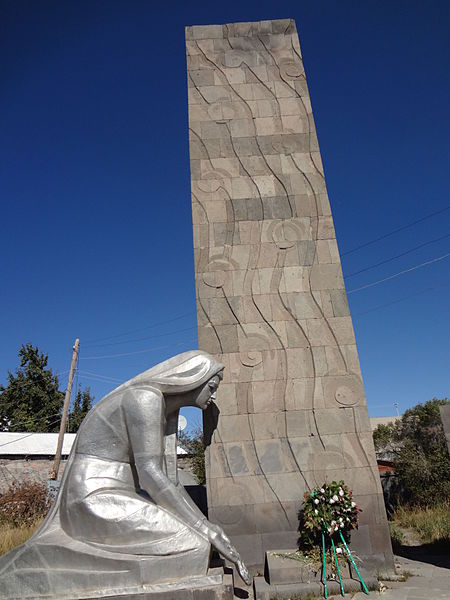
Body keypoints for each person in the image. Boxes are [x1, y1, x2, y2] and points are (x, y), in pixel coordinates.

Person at [0, 350, 250, 598]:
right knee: (192, 542)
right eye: (212, 385)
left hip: (123, 494)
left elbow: (172, 484)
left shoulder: (168, 411)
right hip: (93, 498)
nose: (213, 394)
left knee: (198, 540)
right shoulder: (145, 398)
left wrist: (208, 528)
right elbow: (151, 475)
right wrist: (205, 529)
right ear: (193, 378)